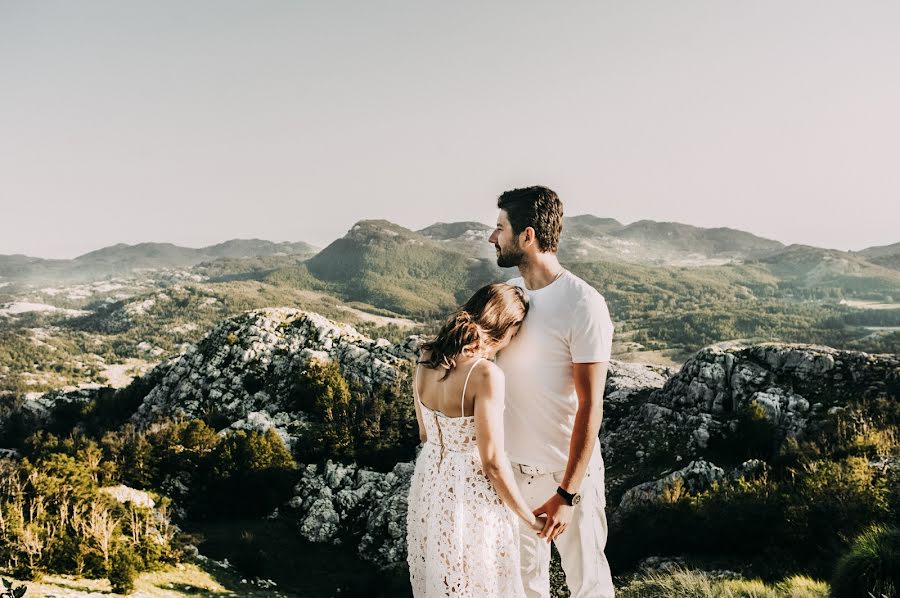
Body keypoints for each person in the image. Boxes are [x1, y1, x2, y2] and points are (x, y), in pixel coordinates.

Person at [489, 186, 616, 598]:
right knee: (524, 589)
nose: (493, 238)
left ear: (527, 236)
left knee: (588, 587)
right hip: (515, 476)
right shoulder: (511, 296)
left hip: (566, 479)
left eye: (500, 229)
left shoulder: (584, 304)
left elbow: (591, 405)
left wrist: (567, 493)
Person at [406, 283, 545, 597]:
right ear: (506, 327)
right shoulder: (485, 375)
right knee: (479, 580)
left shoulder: (426, 357)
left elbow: (424, 433)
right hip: (469, 492)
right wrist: (529, 519)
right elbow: (493, 463)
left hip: (430, 482)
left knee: (443, 579)